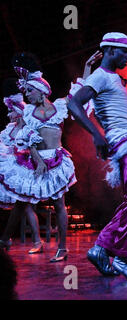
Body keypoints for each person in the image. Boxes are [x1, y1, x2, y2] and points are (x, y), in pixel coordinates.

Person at [68, 32, 127, 280]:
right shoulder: (100, 76)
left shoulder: (113, 77)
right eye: (124, 52)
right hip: (122, 141)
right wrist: (96, 135)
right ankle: (123, 258)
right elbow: (74, 104)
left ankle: (102, 247)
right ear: (109, 51)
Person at [0, 52, 89, 262]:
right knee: (22, 202)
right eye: (25, 91)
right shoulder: (28, 112)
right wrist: (38, 161)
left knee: (59, 204)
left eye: (29, 91)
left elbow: (79, 93)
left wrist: (87, 66)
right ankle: (5, 239)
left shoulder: (58, 106)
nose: (26, 95)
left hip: (56, 161)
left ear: (41, 91)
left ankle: (62, 248)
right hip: (36, 161)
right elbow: (25, 139)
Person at [0, 78, 43, 254]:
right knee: (23, 206)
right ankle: (7, 239)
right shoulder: (9, 129)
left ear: (19, 112)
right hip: (15, 170)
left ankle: (34, 241)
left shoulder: (27, 128)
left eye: (12, 110)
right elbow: (6, 148)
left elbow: (31, 147)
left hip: (26, 169)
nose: (9, 113)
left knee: (24, 205)